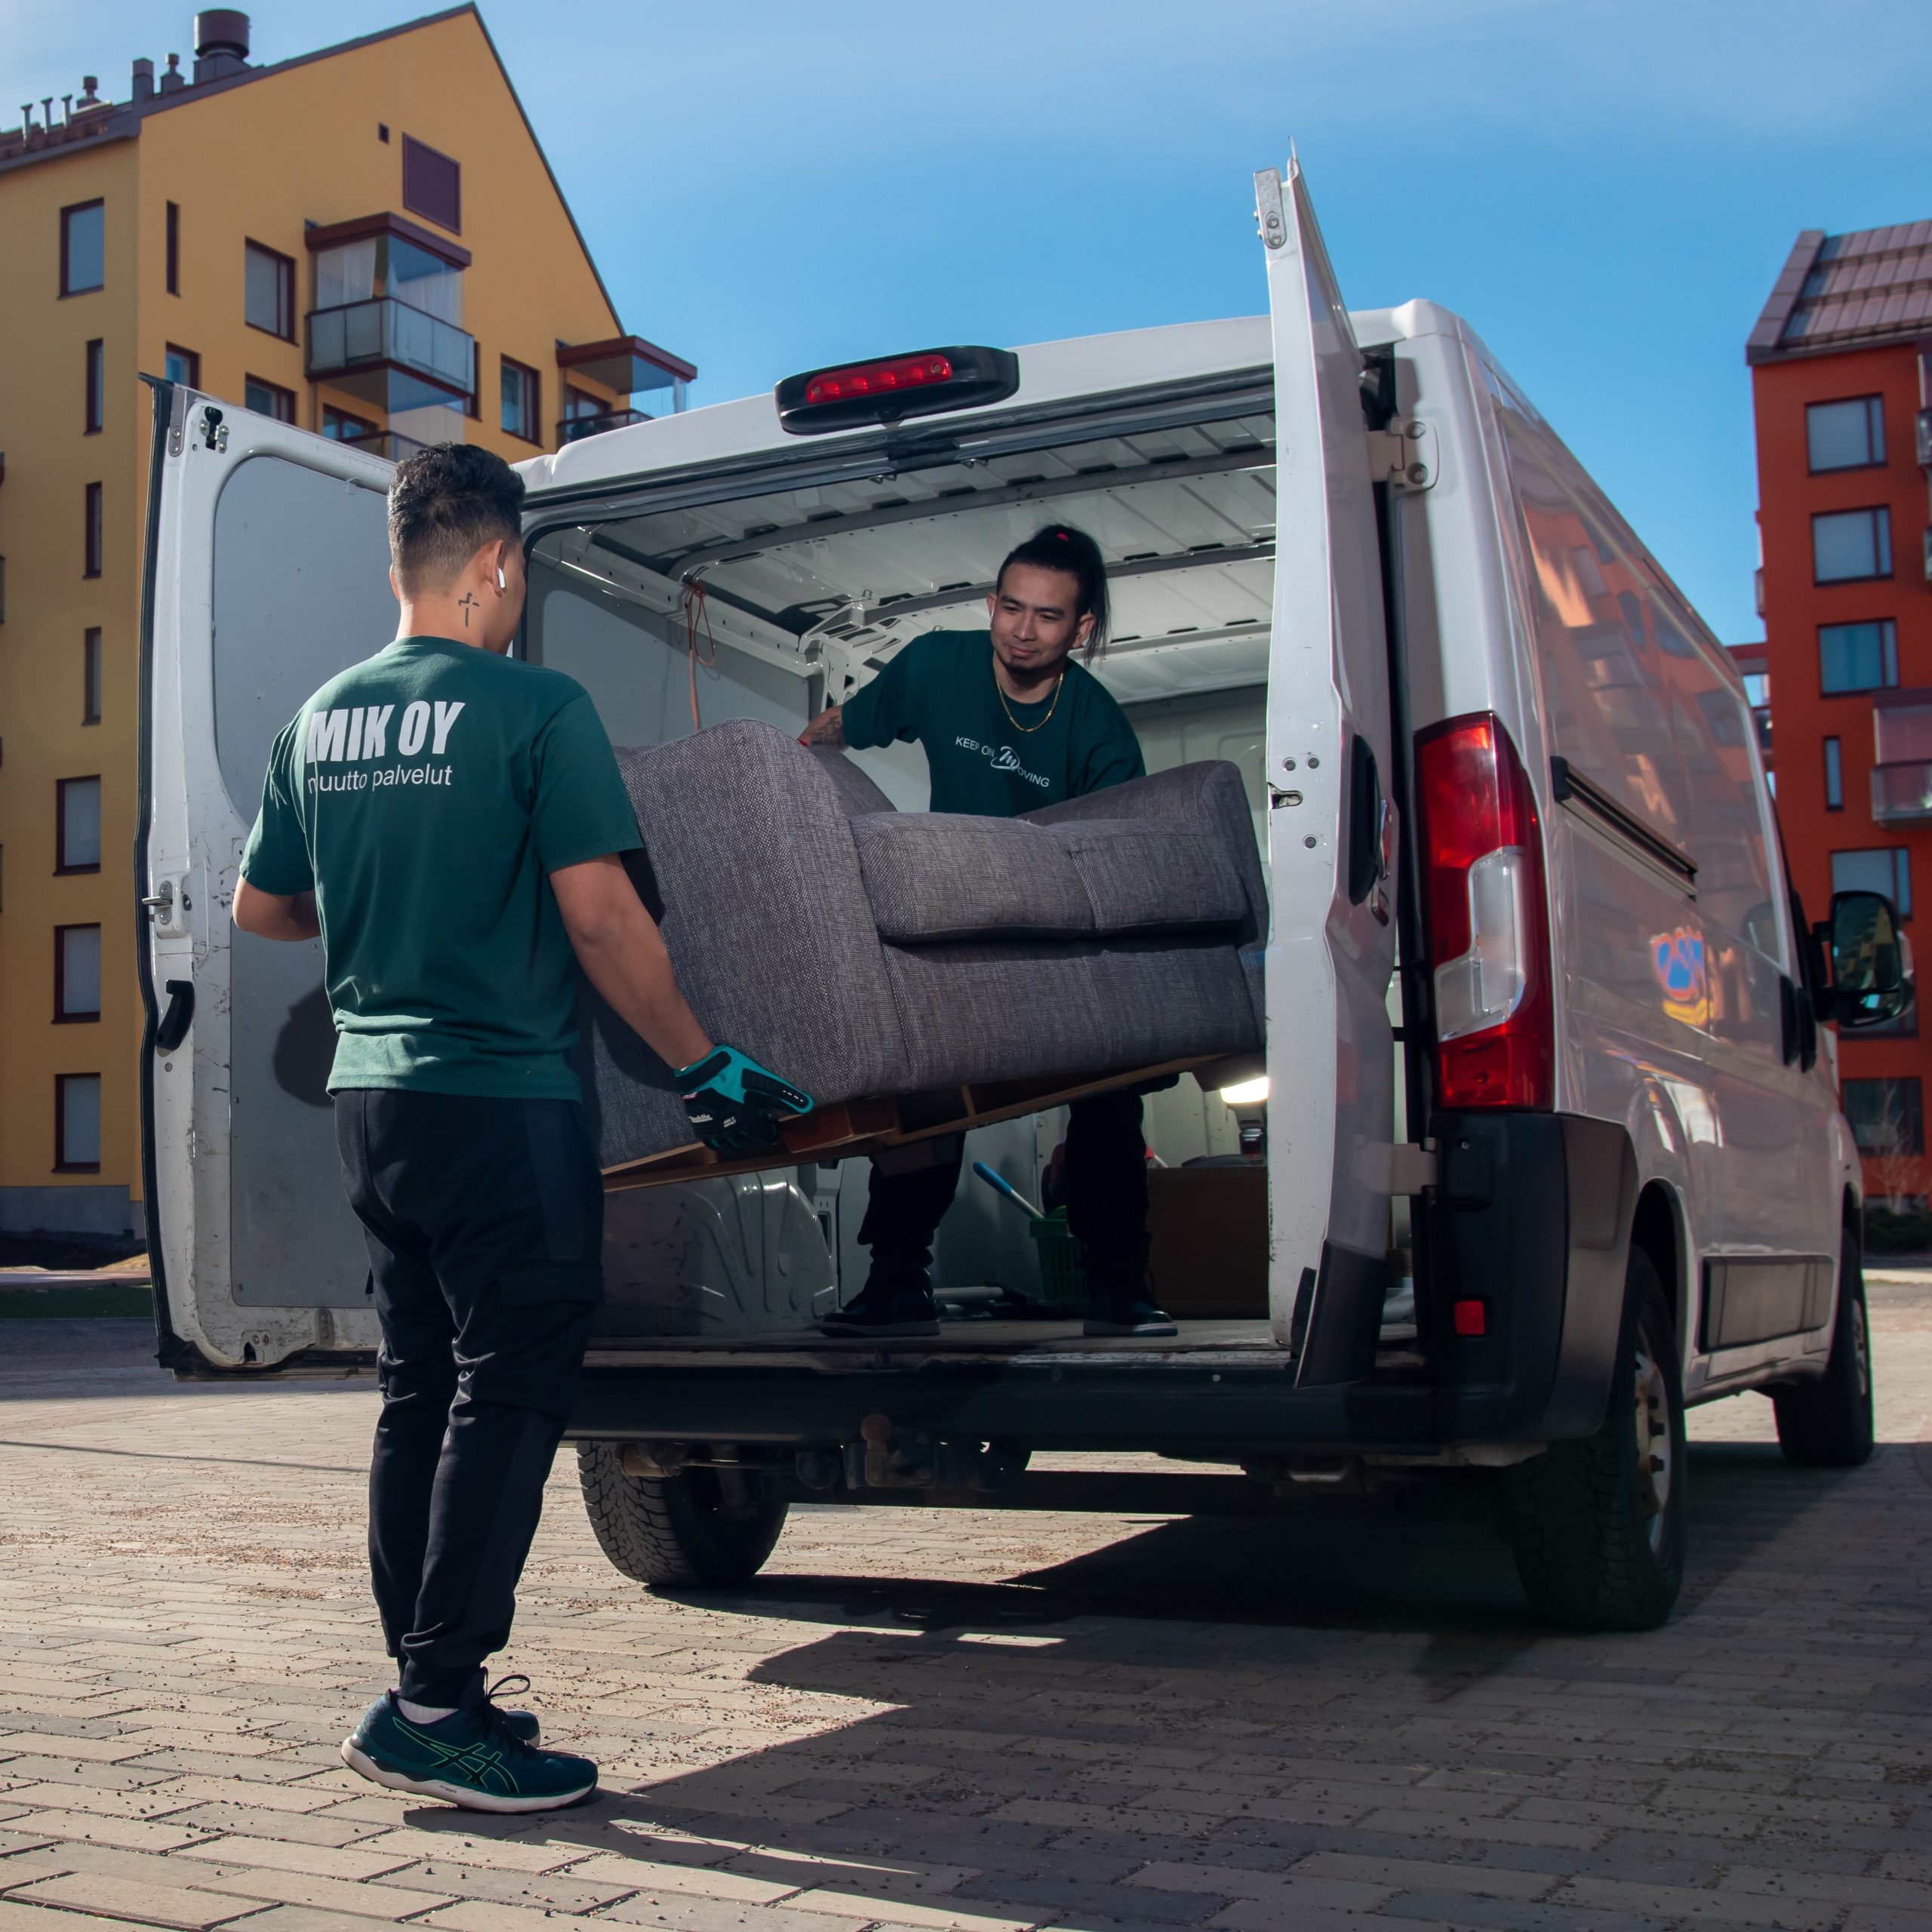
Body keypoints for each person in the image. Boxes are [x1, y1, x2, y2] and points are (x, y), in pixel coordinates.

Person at [233, 445, 808, 1814]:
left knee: (419, 1389)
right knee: (510, 1392)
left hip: (374, 1113)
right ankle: (436, 1701)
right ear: (497, 563)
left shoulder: (318, 719)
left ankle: (425, 1684)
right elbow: (604, 918)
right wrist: (703, 1064)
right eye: (520, 574)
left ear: (399, 562)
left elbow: (265, 911)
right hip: (502, 1103)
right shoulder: (535, 709)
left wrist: (386, 892)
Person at [799, 523, 1175, 1340]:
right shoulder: (939, 664)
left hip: (1056, 936)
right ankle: (897, 1282)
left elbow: (1119, 859)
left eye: (1047, 617)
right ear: (990, 602)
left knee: (1107, 1096)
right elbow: (838, 728)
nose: (1021, 630)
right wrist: (785, 769)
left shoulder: (1099, 730)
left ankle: (1120, 1285)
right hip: (955, 918)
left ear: (1080, 629)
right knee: (923, 1095)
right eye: (1010, 607)